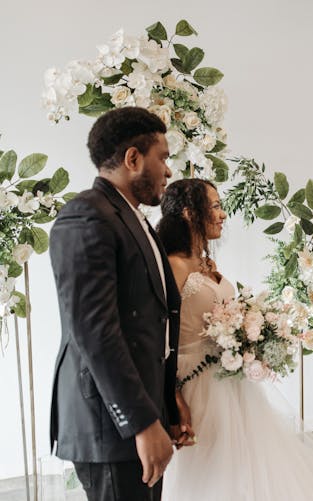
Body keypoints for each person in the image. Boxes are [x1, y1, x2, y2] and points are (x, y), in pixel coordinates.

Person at [157, 179, 313, 500]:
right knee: (212, 469)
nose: (223, 214)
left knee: (248, 464)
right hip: (196, 382)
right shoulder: (172, 266)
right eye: (215, 206)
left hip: (229, 380)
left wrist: (250, 334)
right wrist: (172, 396)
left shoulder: (204, 262)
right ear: (190, 213)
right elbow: (161, 334)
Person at [49, 107, 183, 501]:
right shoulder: (86, 216)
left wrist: (167, 408)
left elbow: (151, 324)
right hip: (111, 424)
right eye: (164, 157)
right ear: (133, 159)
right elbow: (95, 333)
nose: (169, 170)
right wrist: (141, 423)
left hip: (139, 414)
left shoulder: (131, 217)